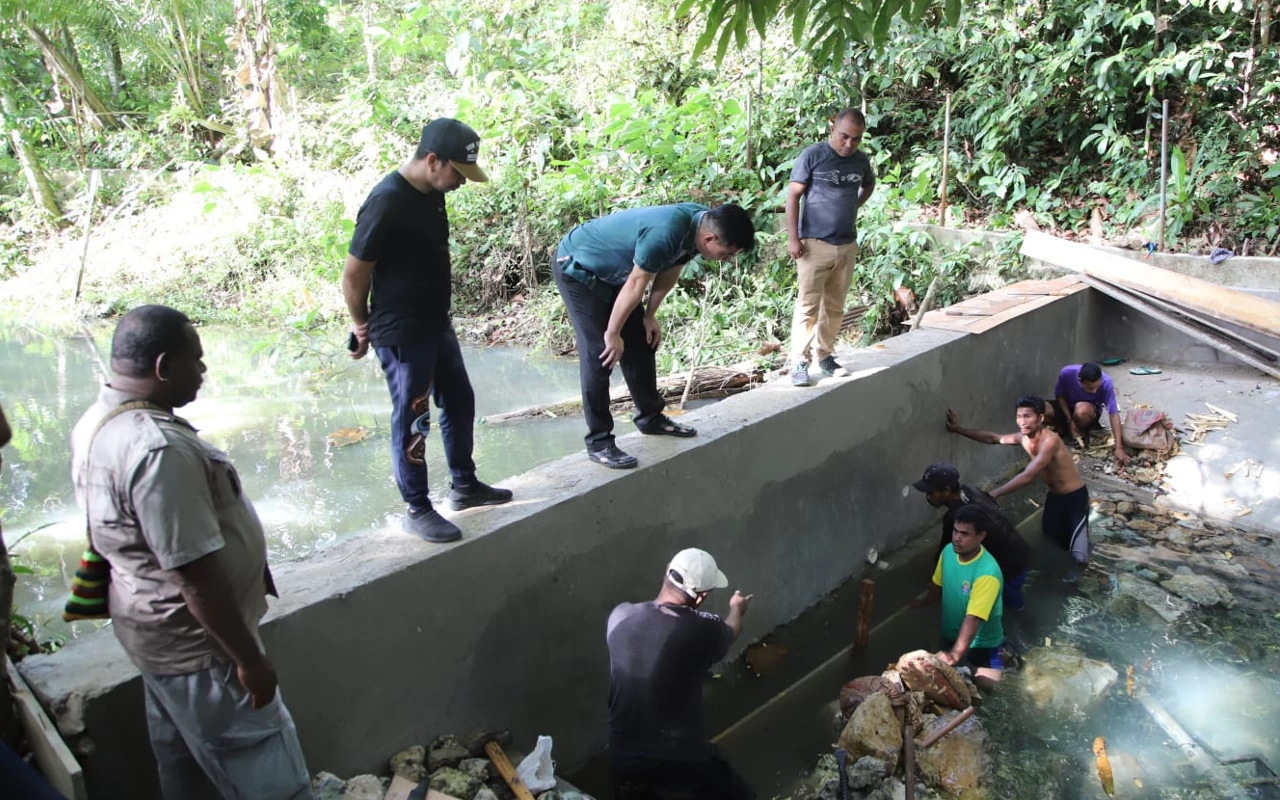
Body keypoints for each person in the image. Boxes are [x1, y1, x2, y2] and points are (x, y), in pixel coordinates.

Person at [70, 305, 312, 800]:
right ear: (163, 367)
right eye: (195, 361)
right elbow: (194, 573)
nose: (203, 371)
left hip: (158, 643)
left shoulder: (97, 420)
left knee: (187, 770)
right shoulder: (157, 450)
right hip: (205, 655)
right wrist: (247, 659)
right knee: (269, 775)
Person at [342, 118, 512, 544]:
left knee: (459, 400)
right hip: (402, 332)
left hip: (436, 322)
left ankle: (464, 486)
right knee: (413, 417)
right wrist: (361, 324)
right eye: (457, 172)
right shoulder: (386, 201)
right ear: (432, 160)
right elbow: (354, 273)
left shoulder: (432, 194)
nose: (461, 182)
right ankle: (417, 508)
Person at [554, 203, 756, 469]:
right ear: (711, 239)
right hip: (578, 267)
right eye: (727, 254)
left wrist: (649, 315)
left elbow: (671, 268)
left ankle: (651, 419)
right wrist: (612, 333)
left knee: (641, 340)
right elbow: (638, 282)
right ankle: (599, 442)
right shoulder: (667, 232)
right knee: (600, 353)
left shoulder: (699, 224)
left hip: (618, 274)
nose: (726, 260)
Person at [606, 548, 755, 799]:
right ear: (701, 597)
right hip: (680, 763)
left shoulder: (620, 615)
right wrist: (737, 609)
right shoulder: (699, 630)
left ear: (666, 571)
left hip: (622, 761)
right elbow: (730, 631)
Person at [947, 396, 1091, 580]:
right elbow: (993, 438)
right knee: (1050, 539)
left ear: (1040, 418)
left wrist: (994, 494)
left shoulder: (1050, 441)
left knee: (1080, 556)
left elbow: (1028, 476)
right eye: (1019, 416)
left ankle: (1079, 586)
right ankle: (1053, 577)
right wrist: (959, 429)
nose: (1022, 421)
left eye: (1027, 416)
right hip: (1055, 499)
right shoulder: (1022, 438)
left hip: (1075, 499)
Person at [785, 108, 876, 387]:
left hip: (846, 244)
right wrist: (793, 238)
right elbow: (793, 197)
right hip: (814, 245)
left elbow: (868, 186)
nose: (849, 144)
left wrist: (852, 206)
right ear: (832, 130)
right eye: (844, 136)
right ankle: (799, 362)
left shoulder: (860, 161)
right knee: (807, 306)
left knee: (835, 306)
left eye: (856, 139)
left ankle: (824, 356)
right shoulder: (813, 155)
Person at [912, 462, 1032, 610]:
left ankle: (1022, 618)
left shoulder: (956, 518)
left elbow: (945, 560)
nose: (928, 496)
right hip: (1019, 551)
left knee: (1008, 605)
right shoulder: (970, 490)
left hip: (1010, 567)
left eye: (931, 492)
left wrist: (926, 601)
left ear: (947, 490)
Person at [912, 505, 1005, 689]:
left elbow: (973, 619)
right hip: (950, 635)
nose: (957, 538)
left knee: (985, 688)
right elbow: (937, 586)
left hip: (981, 645)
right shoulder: (948, 552)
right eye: (955, 531)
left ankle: (1003, 659)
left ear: (981, 536)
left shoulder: (987, 573)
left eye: (965, 534)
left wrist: (954, 655)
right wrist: (921, 605)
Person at [1044, 362, 1131, 468]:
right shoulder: (1067, 373)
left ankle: (1080, 431)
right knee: (1041, 409)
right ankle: (1065, 428)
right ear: (1080, 381)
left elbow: (1113, 414)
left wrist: (1119, 447)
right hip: (1067, 408)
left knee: (1082, 410)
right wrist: (1069, 420)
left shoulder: (1107, 382)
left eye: (1097, 387)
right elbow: (1060, 395)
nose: (1094, 391)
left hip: (1088, 411)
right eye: (1090, 388)